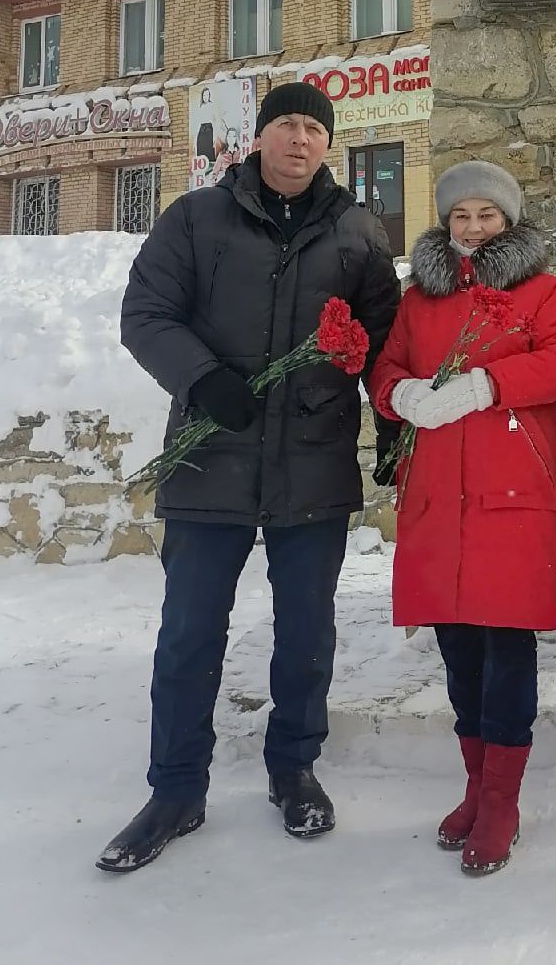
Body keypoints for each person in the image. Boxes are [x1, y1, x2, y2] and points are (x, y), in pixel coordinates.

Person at [97, 81, 401, 874]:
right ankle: (174, 789)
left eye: (312, 128)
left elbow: (382, 342)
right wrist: (202, 379)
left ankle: (294, 769)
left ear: (328, 144)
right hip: (211, 457)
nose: (298, 140)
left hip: (314, 459)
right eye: (285, 125)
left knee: (306, 631)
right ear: (259, 137)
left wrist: (395, 431)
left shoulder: (360, 233)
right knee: (190, 632)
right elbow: (146, 313)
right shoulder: (196, 219)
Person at [367, 162, 556, 876]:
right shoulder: (420, 299)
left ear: (508, 221)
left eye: (487, 214)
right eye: (461, 215)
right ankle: (473, 786)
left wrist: (487, 384)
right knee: (458, 647)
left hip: (508, 498)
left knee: (505, 648)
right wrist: (403, 398)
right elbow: (386, 366)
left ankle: (502, 802)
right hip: (438, 496)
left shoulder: (539, 290)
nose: (472, 226)